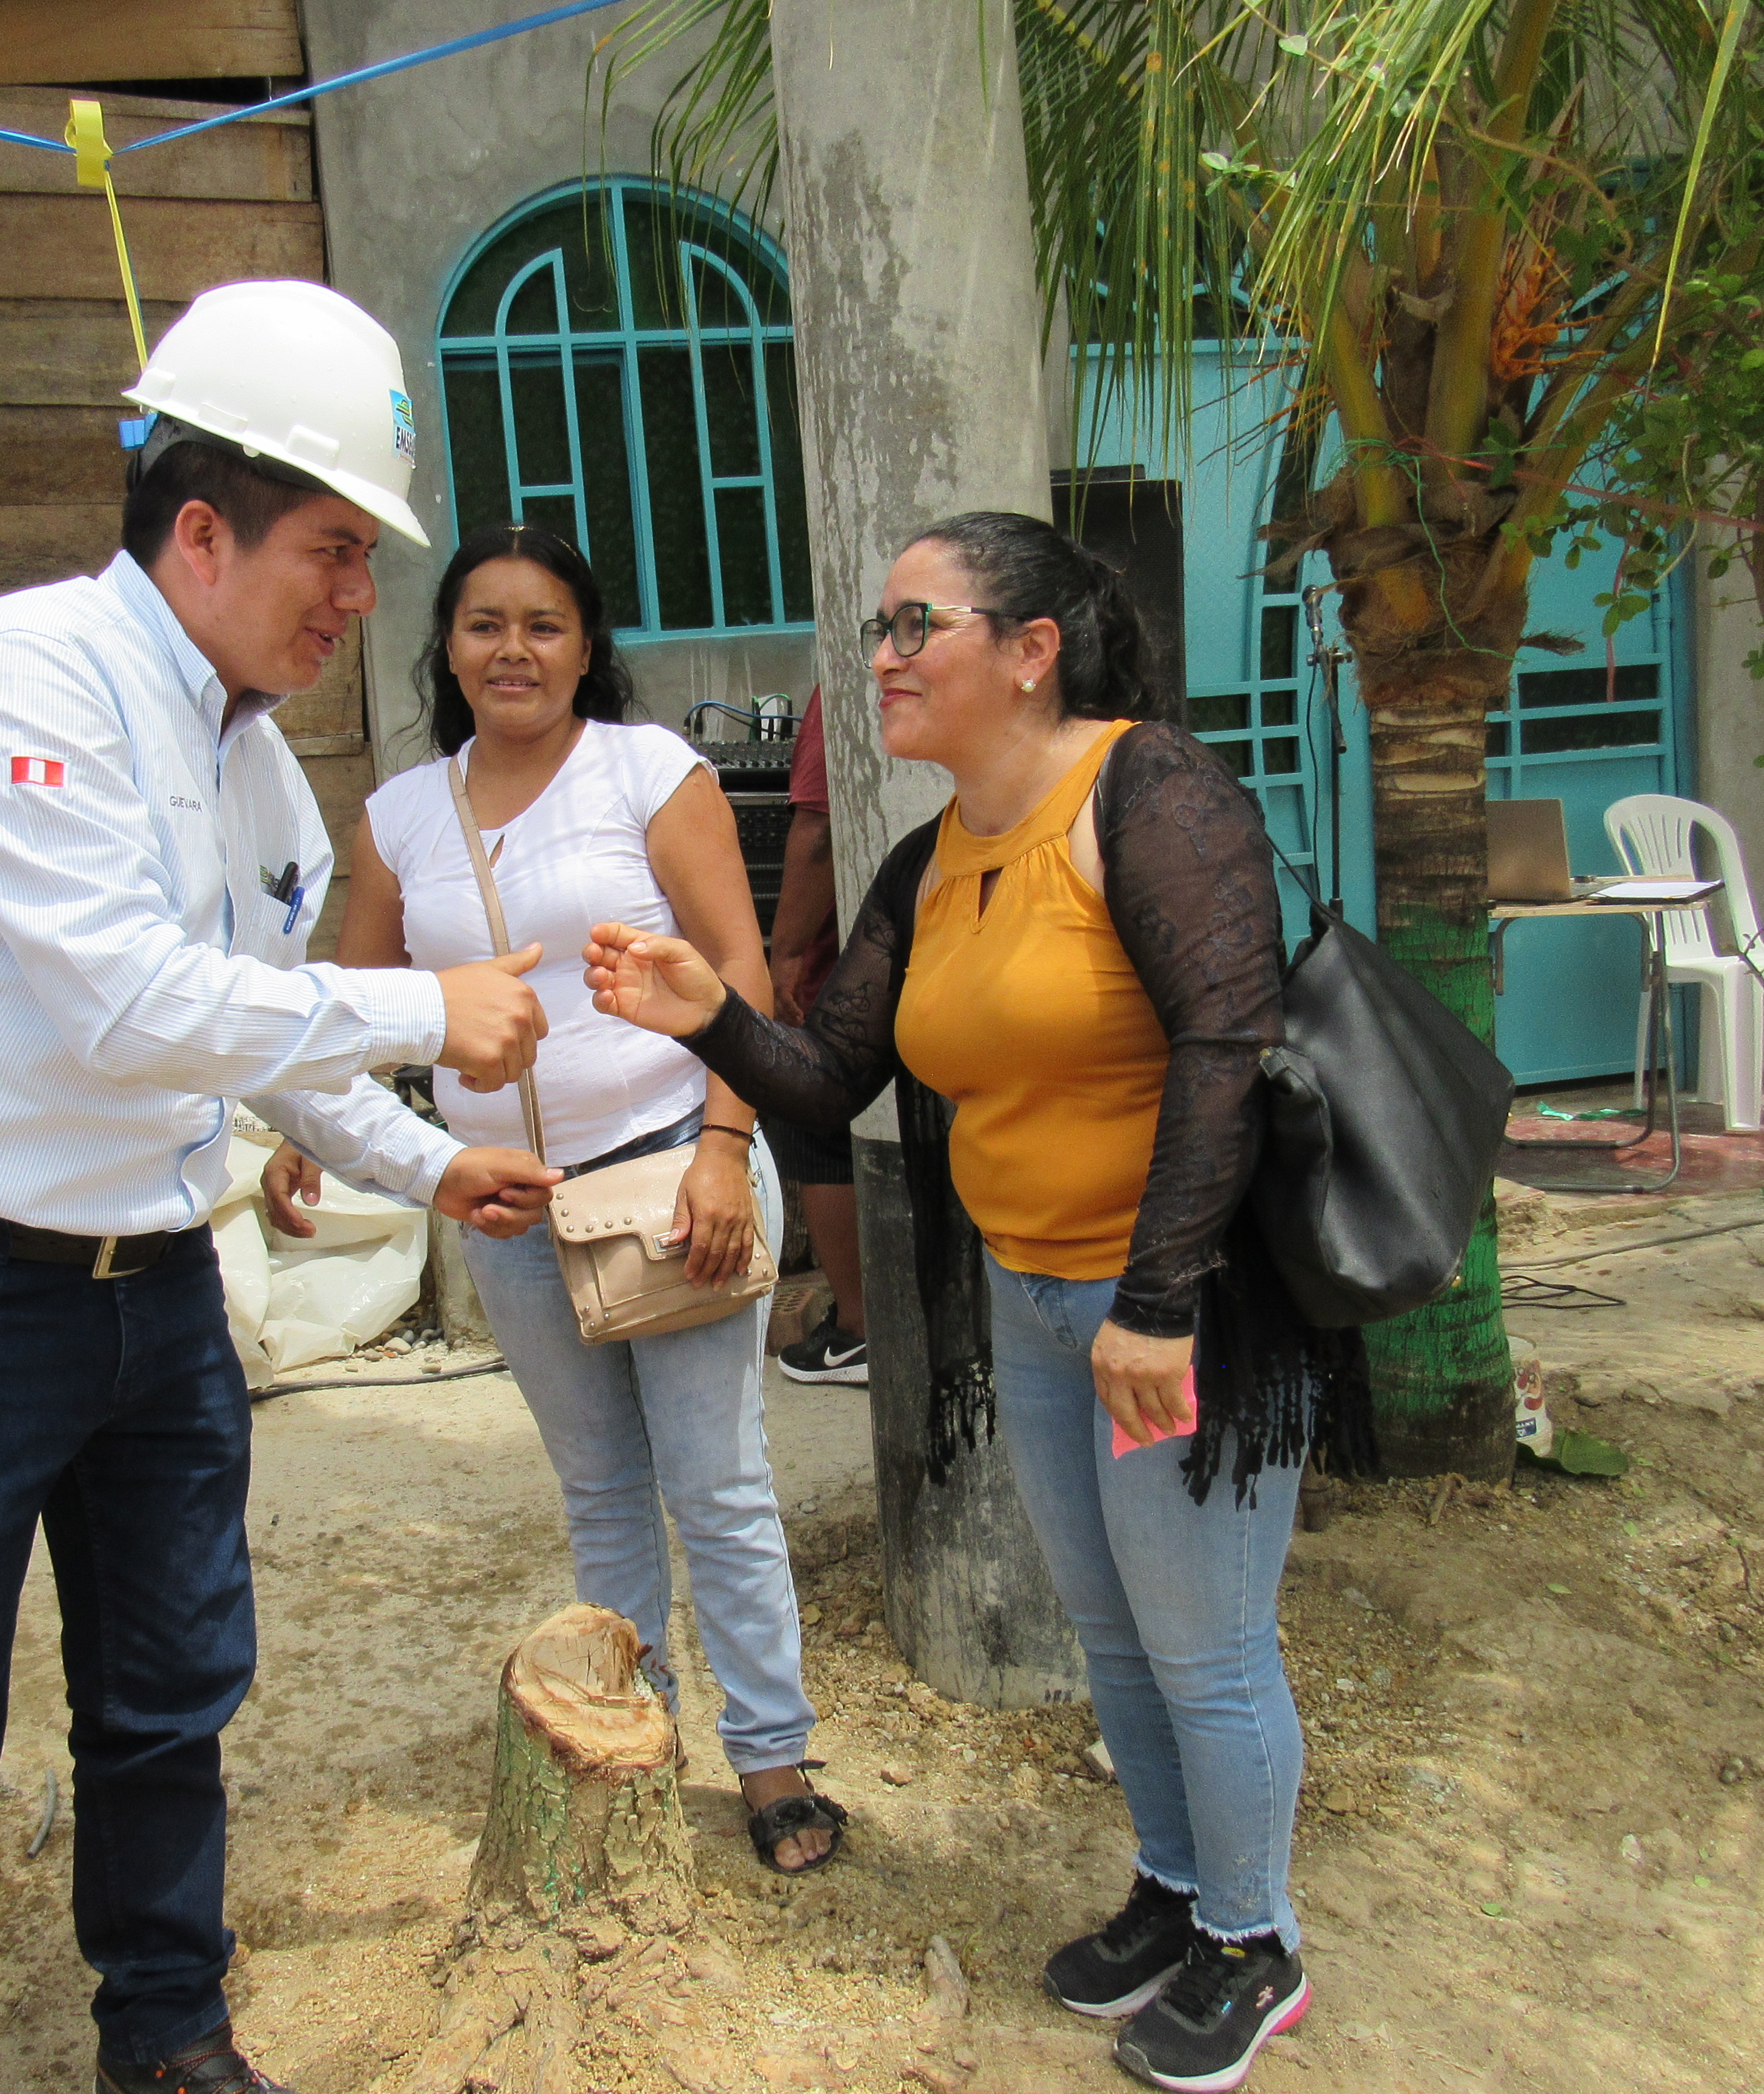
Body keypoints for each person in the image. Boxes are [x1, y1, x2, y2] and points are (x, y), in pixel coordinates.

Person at [0, 282, 564, 2094]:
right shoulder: (21, 680)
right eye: (335, 553)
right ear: (202, 533)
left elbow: (259, 1041)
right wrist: (429, 1005)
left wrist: (435, 1162)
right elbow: (130, 1005)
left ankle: (167, 2028)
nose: (361, 602)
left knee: (168, 1692)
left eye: (366, 562)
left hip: (148, 1293)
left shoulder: (251, 759)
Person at [581, 512, 1372, 2093]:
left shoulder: (1152, 796)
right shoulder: (934, 855)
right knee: (1114, 1631)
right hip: (1032, 1296)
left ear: (1032, 651)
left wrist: (1156, 1303)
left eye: (913, 623)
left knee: (1206, 1643)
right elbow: (833, 1070)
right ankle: (1173, 1892)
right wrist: (710, 1016)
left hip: (1183, 1305)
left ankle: (1255, 1942)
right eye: (876, 628)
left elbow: (1227, 1050)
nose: (878, 657)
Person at [264, 522, 847, 1875]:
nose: (512, 649)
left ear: (588, 647)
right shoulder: (402, 815)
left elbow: (741, 971)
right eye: (484, 624)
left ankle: (772, 1760)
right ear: (447, 647)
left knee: (720, 1488)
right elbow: (360, 1010)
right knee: (599, 1492)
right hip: (507, 1203)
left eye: (543, 625)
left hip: (665, 1171)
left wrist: (721, 1144)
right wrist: (311, 1132)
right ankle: (626, 1749)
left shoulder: (650, 774)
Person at [764, 689, 867, 1385]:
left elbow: (820, 829)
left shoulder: (849, 679)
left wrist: (787, 950)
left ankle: (860, 1328)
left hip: (853, 952)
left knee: (817, 1126)